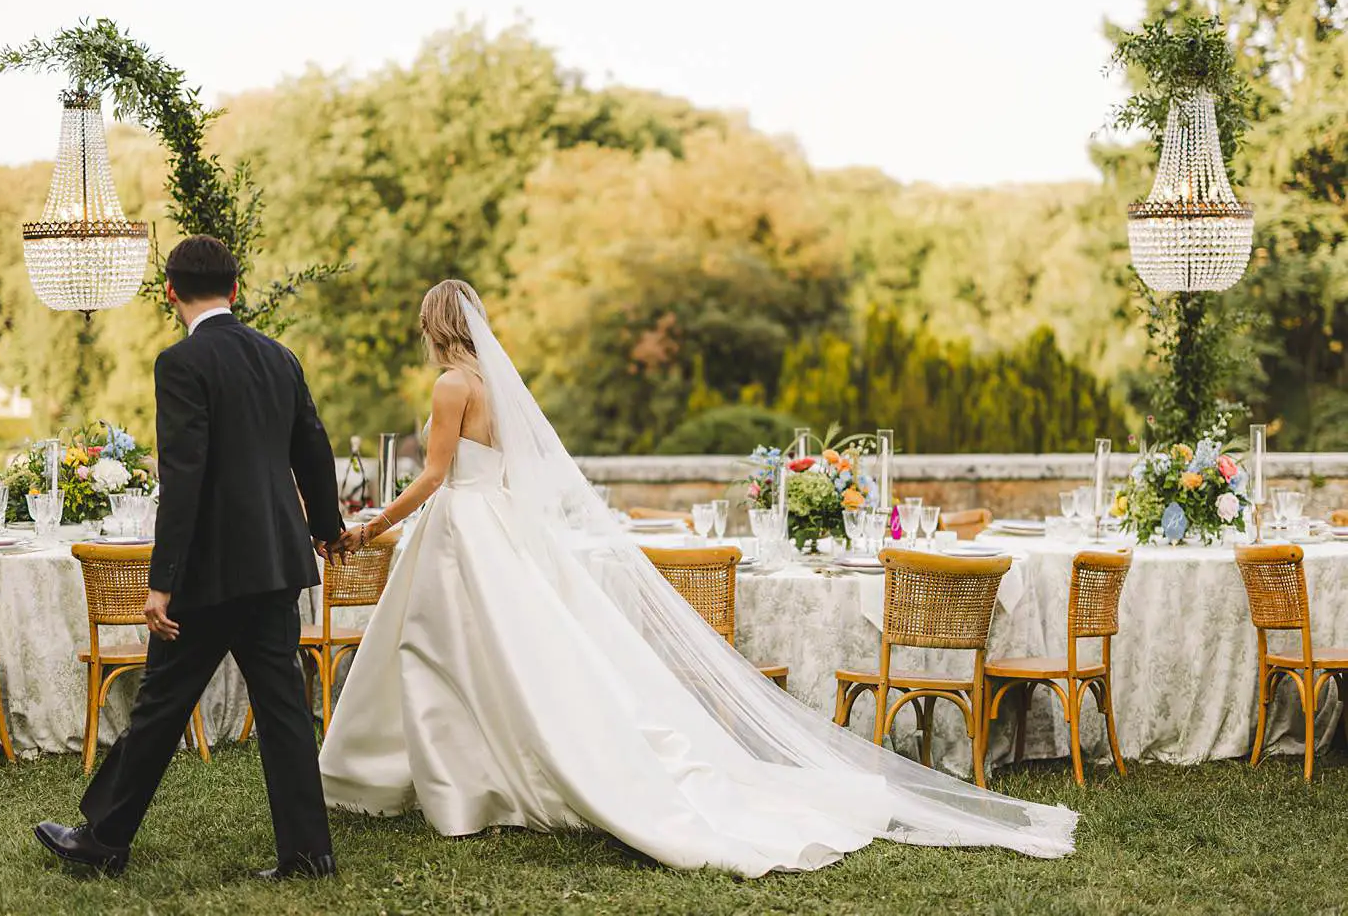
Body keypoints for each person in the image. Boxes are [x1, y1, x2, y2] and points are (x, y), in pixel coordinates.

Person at [316, 279, 1078, 878]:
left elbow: (435, 477)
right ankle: (471, 777)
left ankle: (453, 781)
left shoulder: (452, 385)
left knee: (445, 654)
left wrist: (371, 527)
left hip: (463, 529)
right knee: (490, 659)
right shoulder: (495, 384)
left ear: (434, 325)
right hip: (496, 528)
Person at [35, 235, 345, 879]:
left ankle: (103, 840)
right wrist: (326, 527)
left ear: (171, 292)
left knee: (162, 704)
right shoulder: (280, 357)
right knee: (285, 709)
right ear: (235, 288)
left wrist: (162, 582)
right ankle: (308, 853)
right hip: (275, 565)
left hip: (209, 572)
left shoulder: (180, 363)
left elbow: (184, 477)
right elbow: (313, 448)